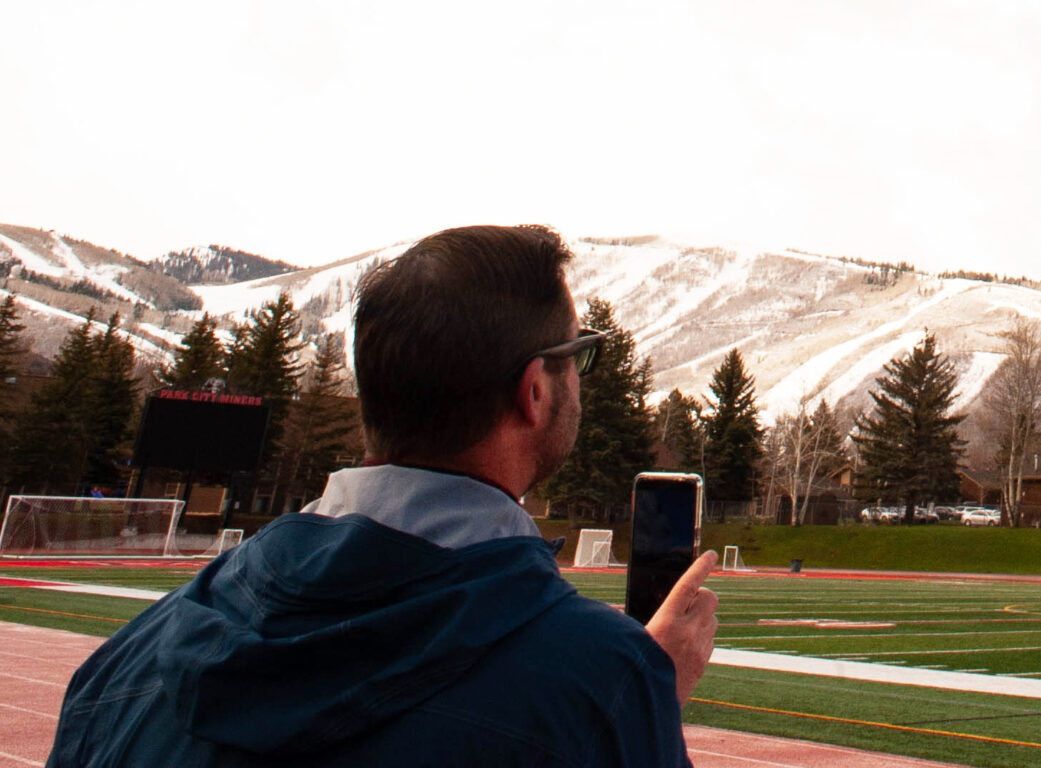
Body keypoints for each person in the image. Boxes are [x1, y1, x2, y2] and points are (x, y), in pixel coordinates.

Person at [48, 225, 719, 767]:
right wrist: (636, 701)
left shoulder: (127, 661)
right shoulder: (597, 690)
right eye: (580, 355)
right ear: (534, 391)